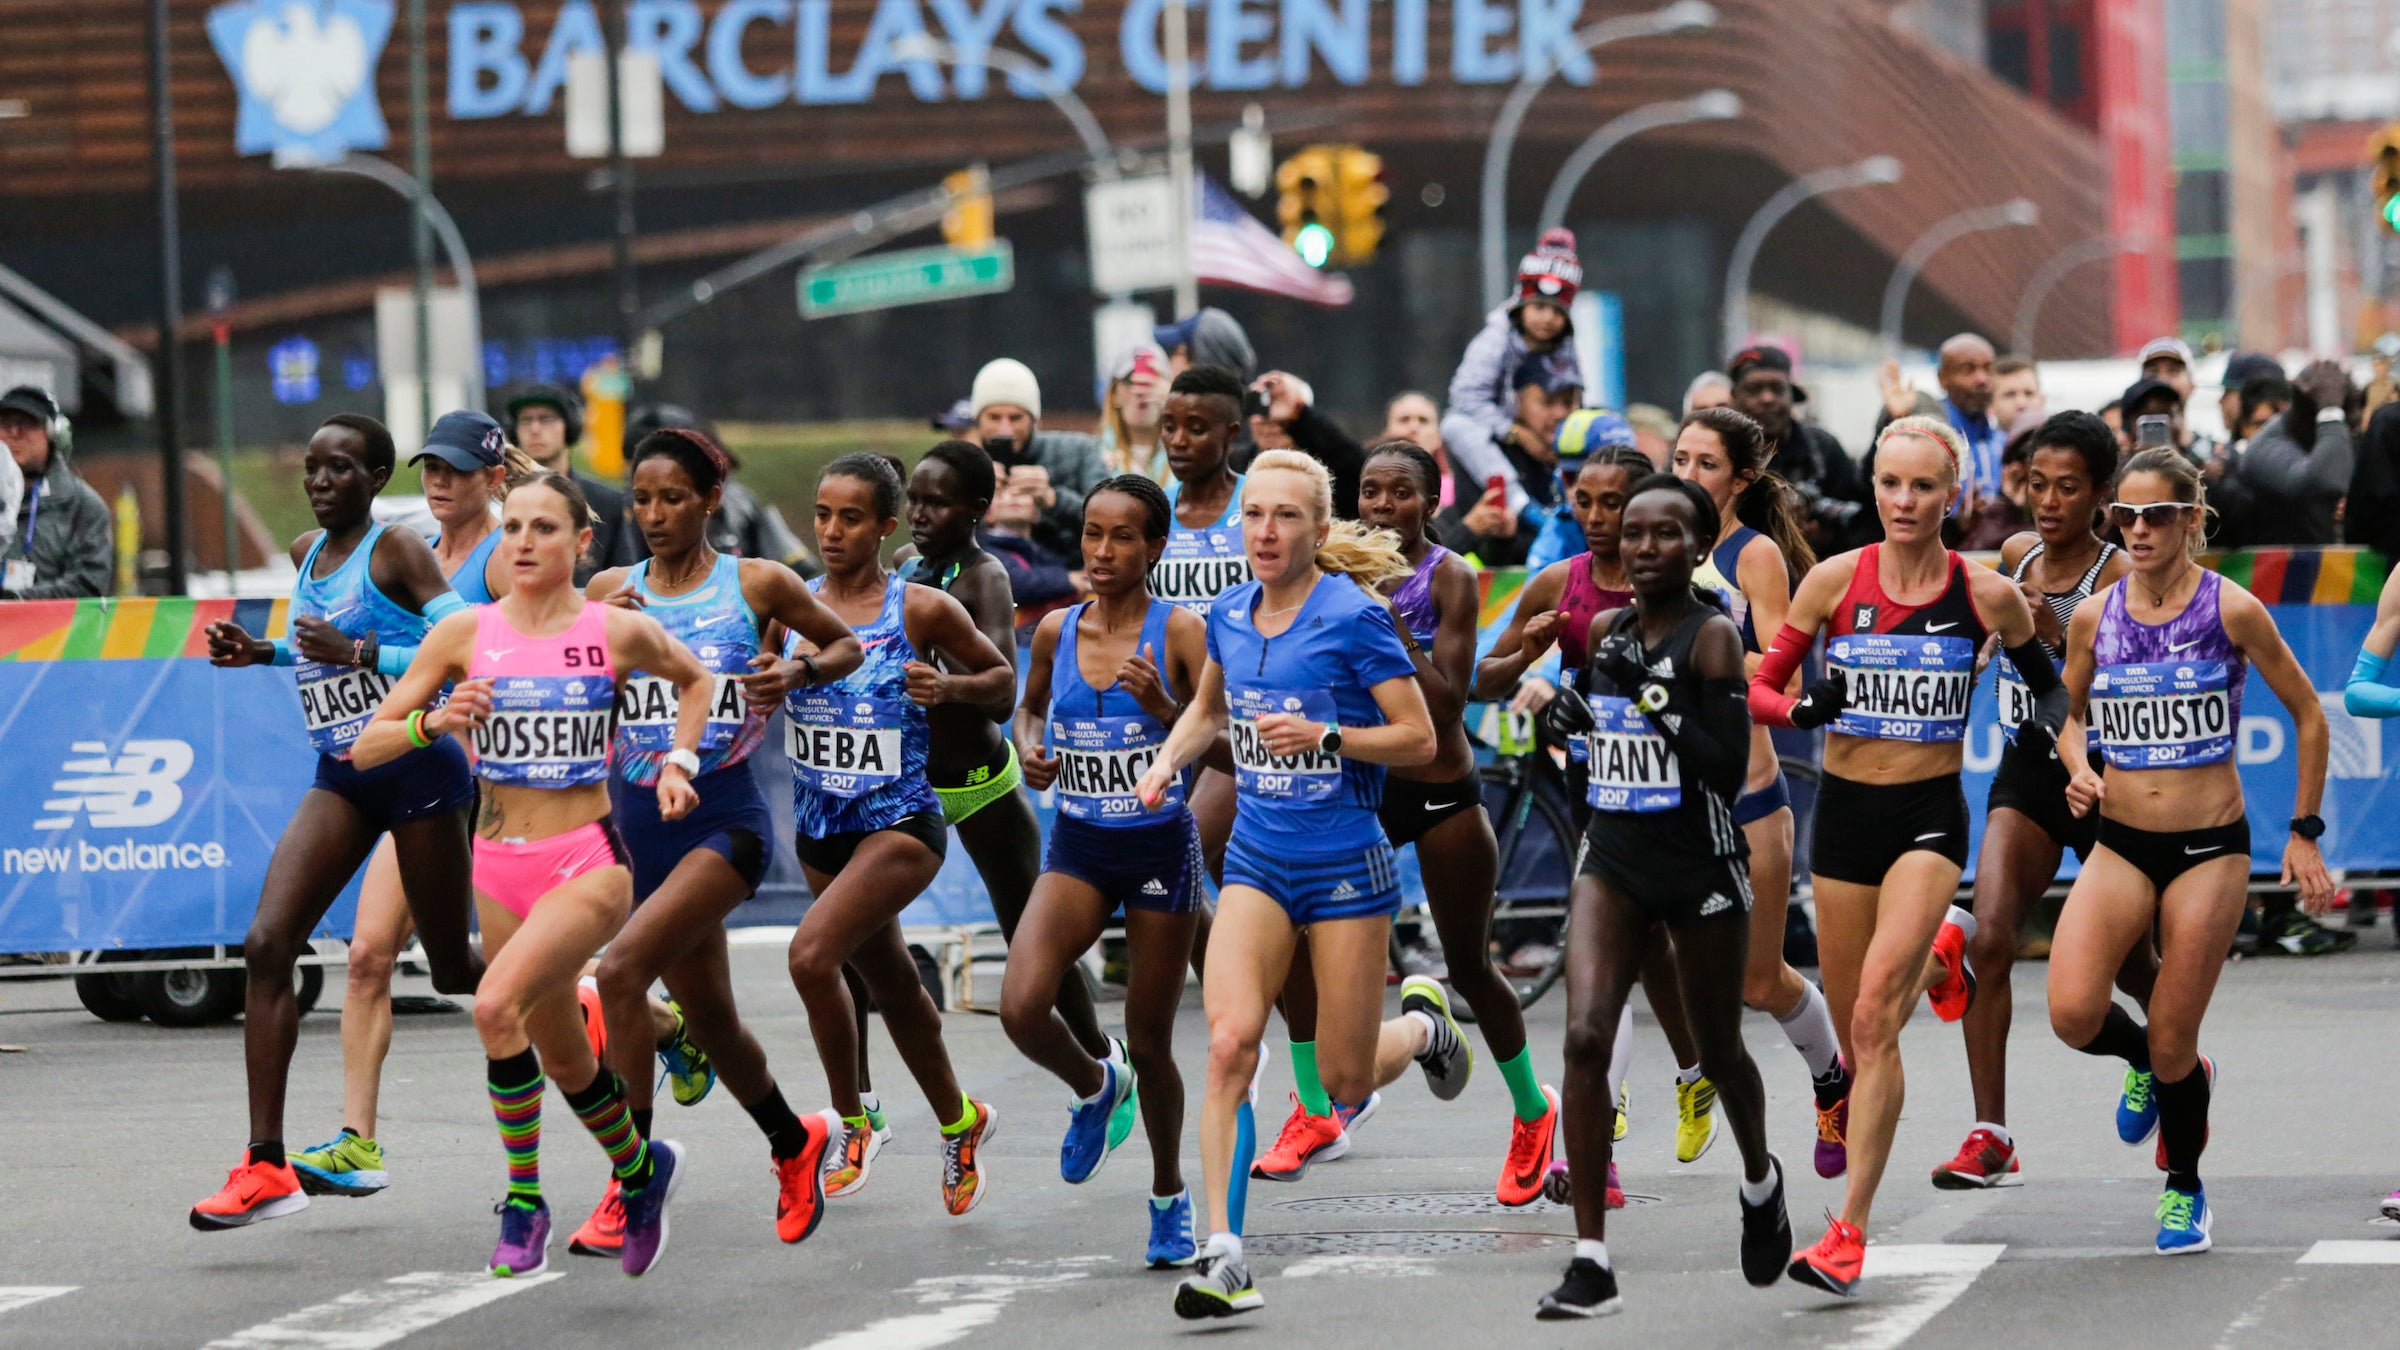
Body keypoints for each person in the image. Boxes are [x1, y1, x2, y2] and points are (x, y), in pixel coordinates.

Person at [351, 470, 714, 1279]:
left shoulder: (611, 631)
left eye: (544, 528)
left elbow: (696, 679)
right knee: (563, 1059)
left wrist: (679, 762)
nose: (522, 542)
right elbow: (364, 747)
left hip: (587, 860)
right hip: (499, 867)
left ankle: (524, 1202)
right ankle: (639, 1171)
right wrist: (432, 719)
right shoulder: (464, 635)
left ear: (582, 544)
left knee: (490, 1004)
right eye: (512, 527)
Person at [1750, 416, 2062, 1297]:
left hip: (1929, 817)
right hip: (1846, 818)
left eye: (1923, 487)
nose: (1903, 501)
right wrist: (1804, 710)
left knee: (1874, 1019)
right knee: (1858, 1033)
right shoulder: (1831, 581)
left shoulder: (1987, 593)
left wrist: (2049, 751)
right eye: (1890, 483)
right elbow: (1763, 688)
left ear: (1952, 495)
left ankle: (1847, 1230)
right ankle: (1943, 955)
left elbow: (2048, 688)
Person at [1131, 449, 1436, 1320]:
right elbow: (1208, 710)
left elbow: (1418, 739)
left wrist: (1329, 737)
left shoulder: (1354, 617)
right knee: (1230, 1044)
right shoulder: (1227, 613)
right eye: (1254, 516)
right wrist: (1164, 768)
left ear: (1318, 527)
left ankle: (1418, 1028)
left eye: (1286, 516)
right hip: (1260, 860)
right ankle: (1226, 1253)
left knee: (1342, 1082)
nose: (1265, 531)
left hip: (1346, 865)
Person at [188, 413, 484, 1231]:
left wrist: (362, 657)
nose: (321, 482)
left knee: (456, 972)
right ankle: (264, 1165)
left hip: (421, 771)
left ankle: (586, 995)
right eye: (312, 469)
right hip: (345, 773)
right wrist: (263, 654)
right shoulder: (305, 555)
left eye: (341, 469)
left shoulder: (397, 552)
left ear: (377, 477)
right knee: (266, 945)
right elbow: (312, 648)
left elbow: (469, 638)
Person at [581, 427, 866, 1249]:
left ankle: (632, 1179)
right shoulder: (609, 588)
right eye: (642, 499)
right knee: (708, 1019)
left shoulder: (757, 583)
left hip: (725, 820)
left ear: (711, 499)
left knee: (624, 975)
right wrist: (596, 635)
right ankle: (794, 1139)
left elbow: (843, 643)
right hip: (639, 826)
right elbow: (571, 686)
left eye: (674, 498)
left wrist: (797, 671)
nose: (656, 514)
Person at [2049, 447, 2335, 1254]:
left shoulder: (2232, 609)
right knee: (2072, 1012)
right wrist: (2078, 768)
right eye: (2125, 516)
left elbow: (2311, 715)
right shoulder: (2094, 616)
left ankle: (2184, 1187)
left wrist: (2304, 833)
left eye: (2157, 516)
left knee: (2178, 1035)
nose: (2137, 530)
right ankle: (2153, 1065)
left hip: (2211, 846)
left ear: (2191, 520)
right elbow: (2067, 715)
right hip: (2123, 840)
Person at [1535, 475, 1793, 1318]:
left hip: (1701, 865)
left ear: (1696, 546)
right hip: (1612, 857)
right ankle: (1590, 1260)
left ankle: (1760, 1178)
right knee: (1582, 1037)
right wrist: (1568, 717)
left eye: (1665, 535)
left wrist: (1652, 698)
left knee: (1719, 1052)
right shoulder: (1606, 629)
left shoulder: (1711, 636)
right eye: (1633, 533)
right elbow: (1590, 730)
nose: (1644, 548)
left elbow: (1722, 764)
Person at [1256, 442, 1532, 1199]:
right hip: (1358, 789)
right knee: (1297, 957)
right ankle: (1316, 1110)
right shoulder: (1331, 568)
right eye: (1370, 493)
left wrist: (1379, 618)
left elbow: (1445, 706)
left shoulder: (1450, 578)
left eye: (1400, 494)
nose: (1382, 507)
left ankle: (1532, 1115)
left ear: (1431, 501)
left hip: (1439, 789)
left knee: (1472, 965)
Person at [279, 410, 531, 1203]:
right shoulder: (404, 546)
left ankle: (629, 1012)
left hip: (499, 782)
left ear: (495, 479)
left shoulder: (499, 558)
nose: (440, 482)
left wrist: (359, 654)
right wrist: (276, 650)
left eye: (458, 470)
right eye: (432, 466)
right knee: (367, 957)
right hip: (408, 762)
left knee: (492, 981)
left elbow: (486, 656)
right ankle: (358, 1142)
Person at [1473, 445, 1714, 1192]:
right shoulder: (1559, 581)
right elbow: (1480, 680)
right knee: (1602, 957)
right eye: (1585, 501)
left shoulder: (1687, 588)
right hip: (1595, 794)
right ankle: (1595, 1153)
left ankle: (1696, 1069)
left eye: (1616, 503)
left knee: (1646, 950)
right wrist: (1532, 666)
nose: (1599, 518)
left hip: (1672, 795)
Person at [871, 441, 1115, 1172]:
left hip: (979, 779)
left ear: (977, 510)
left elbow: (1004, 689)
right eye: (913, 499)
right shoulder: (906, 574)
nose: (920, 514)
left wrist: (945, 688)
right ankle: (857, 1108)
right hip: (910, 782)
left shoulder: (985, 575)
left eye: (937, 502)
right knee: (859, 932)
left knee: (1030, 940)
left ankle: (1104, 1067)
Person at [780, 454, 1012, 1217]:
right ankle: (960, 1118)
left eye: (851, 517)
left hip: (902, 822)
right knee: (891, 980)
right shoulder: (790, 604)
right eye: (822, 514)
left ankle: (853, 1121)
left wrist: (948, 686)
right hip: (820, 827)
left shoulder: (919, 609)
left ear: (885, 527)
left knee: (813, 957)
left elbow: (1003, 684)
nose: (832, 531)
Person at [1926, 411, 2139, 1189]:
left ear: (2102, 497)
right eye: (2036, 485)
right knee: (1988, 938)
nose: (2048, 503)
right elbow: (1994, 625)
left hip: (2102, 769)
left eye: (2068, 488)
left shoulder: (2117, 575)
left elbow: (2115, 674)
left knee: (2135, 968)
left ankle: (2158, 1059)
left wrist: (2055, 639)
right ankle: (1992, 1134)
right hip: (2027, 764)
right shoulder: (2016, 554)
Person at [1005, 474, 1211, 1266]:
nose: (1102, 550)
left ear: (1156, 547)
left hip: (1159, 849)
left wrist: (1166, 713)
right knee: (1023, 1006)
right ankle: (1096, 1085)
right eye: (1092, 533)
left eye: (1122, 536)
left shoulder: (1183, 632)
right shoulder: (1057, 630)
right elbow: (1028, 707)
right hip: (1081, 847)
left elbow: (1222, 746)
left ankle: (1168, 1198)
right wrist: (1029, 748)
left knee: (1151, 1040)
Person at [1674, 407, 1855, 1183]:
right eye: (1677, 458)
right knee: (1647, 957)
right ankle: (1664, 1095)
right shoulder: (1652, 541)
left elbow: (1775, 664)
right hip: (1670, 796)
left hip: (1748, 792)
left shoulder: (1752, 557)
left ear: (1740, 480)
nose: (1684, 475)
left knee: (1758, 979)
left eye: (1703, 464)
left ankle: (1831, 1077)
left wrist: (1703, 654)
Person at [1153, 366, 1252, 876]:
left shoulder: (1256, 509)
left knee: (1176, 862)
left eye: (1196, 427)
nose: (1178, 440)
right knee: (1214, 878)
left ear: (1231, 433)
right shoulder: (1150, 512)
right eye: (1169, 425)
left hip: (1241, 723)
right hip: (1167, 720)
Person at [1444, 228, 1585, 524]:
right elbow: (1464, 397)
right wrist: (1517, 433)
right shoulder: (1494, 338)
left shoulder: (1567, 343)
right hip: (1499, 433)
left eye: (1558, 312)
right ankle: (1525, 509)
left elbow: (1577, 397)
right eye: (1540, 307)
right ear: (1522, 303)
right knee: (1455, 425)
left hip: (1548, 435)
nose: (1548, 319)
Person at [622, 404, 815, 572]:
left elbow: (794, 566)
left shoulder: (740, 503)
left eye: (672, 498)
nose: (654, 515)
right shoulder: (617, 510)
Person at [1724, 346, 1872, 555]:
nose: (1767, 399)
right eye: (1754, 389)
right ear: (1733, 397)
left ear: (1791, 394)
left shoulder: (1823, 449)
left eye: (1777, 389)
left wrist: (1825, 537)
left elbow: (1864, 521)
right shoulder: (1719, 450)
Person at [968, 358, 1110, 565]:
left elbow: (1109, 518)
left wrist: (1052, 498)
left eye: (1015, 418)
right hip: (988, 581)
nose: (1005, 430)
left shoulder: (1078, 450)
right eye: (994, 417)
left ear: (1034, 419)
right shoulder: (964, 466)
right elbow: (939, 535)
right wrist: (973, 497)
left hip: (1071, 574)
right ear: (978, 419)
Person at [507, 383, 635, 576]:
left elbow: (626, 576)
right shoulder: (502, 500)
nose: (535, 429)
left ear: (569, 425)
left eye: (546, 419)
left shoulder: (606, 501)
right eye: (525, 420)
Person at [2231, 360, 2354, 546]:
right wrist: (2331, 413)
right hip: (2277, 571)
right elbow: (2326, 483)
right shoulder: (2265, 448)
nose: (2343, 433)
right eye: (2339, 424)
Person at [0, 384, 103, 598]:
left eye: (27, 423)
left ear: (55, 435)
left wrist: (16, 601)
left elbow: (88, 587)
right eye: (5, 423)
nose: (13, 432)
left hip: (53, 631)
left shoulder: (81, 505)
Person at [1099, 343, 1170, 479]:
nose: (1140, 391)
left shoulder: (1187, 457)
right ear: (1114, 395)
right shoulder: (1095, 457)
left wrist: (1177, 408)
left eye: (1151, 380)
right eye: (1130, 380)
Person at [1990, 356, 2044, 432]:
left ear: (2042, 400)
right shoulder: (1971, 442)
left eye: (2028, 394)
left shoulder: (2061, 442)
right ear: (1990, 405)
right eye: (2010, 395)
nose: (2021, 404)